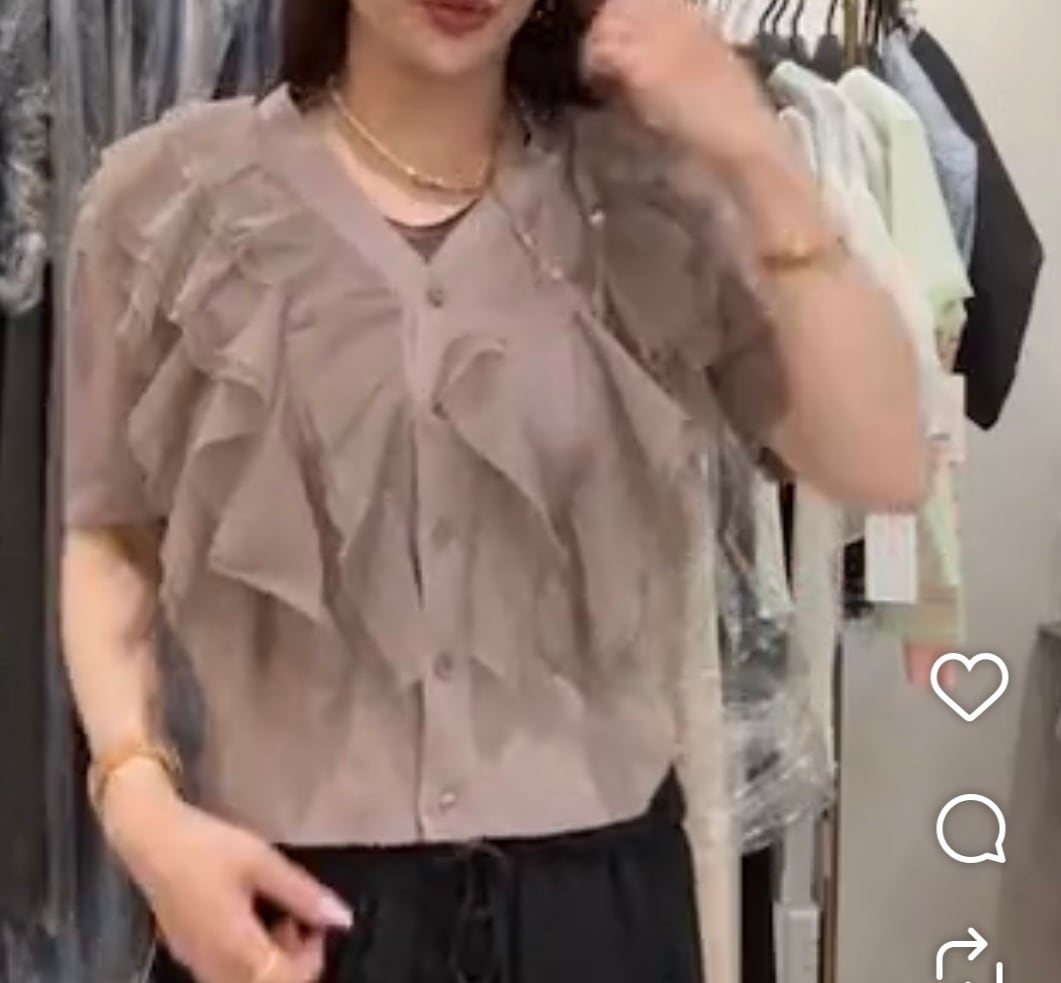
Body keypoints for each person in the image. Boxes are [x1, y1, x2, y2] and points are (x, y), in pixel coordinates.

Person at [60, 0, 926, 980]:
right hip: (286, 919)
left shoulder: (646, 197)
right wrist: (139, 807)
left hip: (598, 920)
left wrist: (758, 159)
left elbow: (882, 462)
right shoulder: (168, 202)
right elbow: (109, 533)